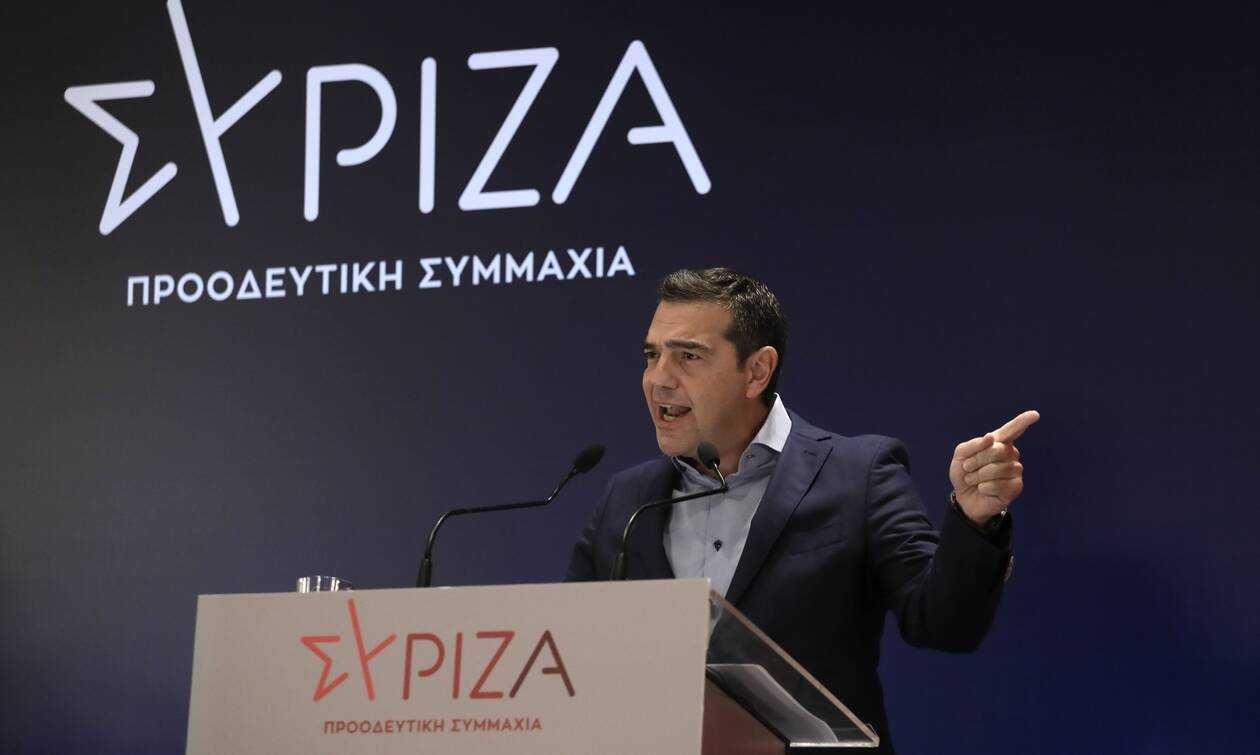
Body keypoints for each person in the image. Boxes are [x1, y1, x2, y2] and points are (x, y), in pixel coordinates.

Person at [566, 267, 1037, 753]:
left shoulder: (858, 475)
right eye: (652, 356)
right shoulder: (627, 499)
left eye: (688, 356)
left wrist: (974, 520)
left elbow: (943, 625)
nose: (658, 379)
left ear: (757, 371)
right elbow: (564, 651)